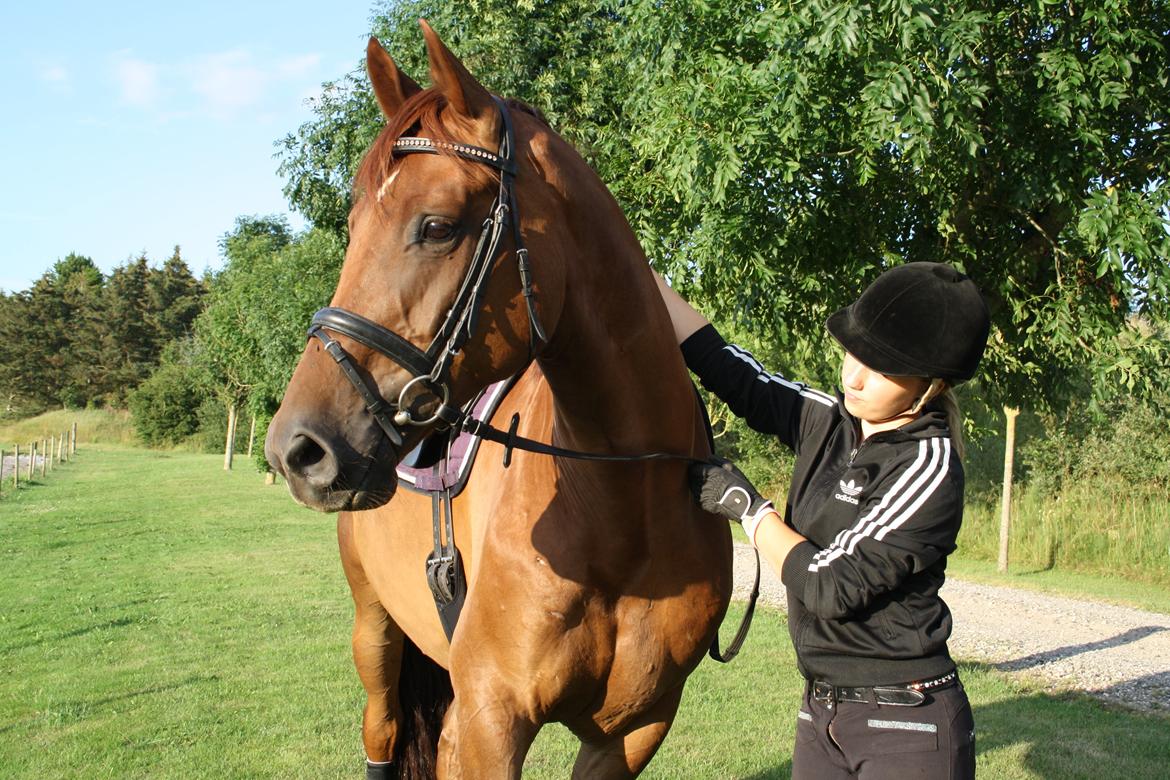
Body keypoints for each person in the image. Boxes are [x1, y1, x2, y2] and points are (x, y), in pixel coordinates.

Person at [656, 262, 990, 779]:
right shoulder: (830, 420)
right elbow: (731, 370)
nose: (853, 377)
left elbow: (832, 584)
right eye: (853, 354)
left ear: (932, 383)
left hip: (907, 725)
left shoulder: (927, 466)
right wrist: (641, 272)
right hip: (821, 713)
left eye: (880, 369)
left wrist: (750, 508)